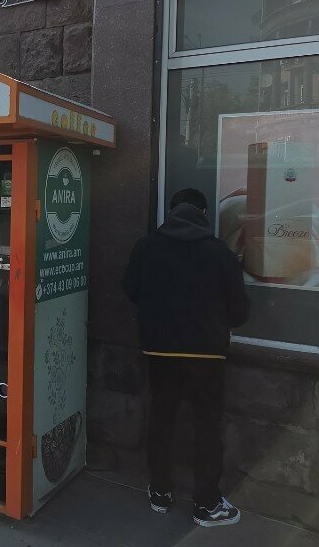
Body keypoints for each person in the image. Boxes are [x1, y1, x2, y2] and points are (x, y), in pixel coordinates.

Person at [122, 188, 249, 527]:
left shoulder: (146, 246)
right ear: (204, 213)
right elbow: (239, 312)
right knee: (207, 426)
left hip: (159, 352)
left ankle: (160, 491)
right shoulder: (220, 254)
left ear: (172, 211)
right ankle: (206, 504)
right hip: (207, 356)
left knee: (161, 419)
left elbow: (130, 289)